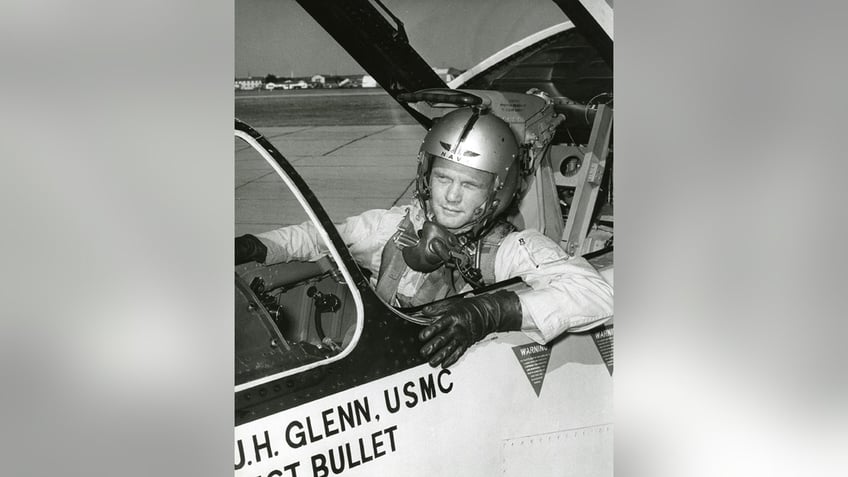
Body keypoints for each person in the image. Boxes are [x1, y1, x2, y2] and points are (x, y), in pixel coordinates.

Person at [236, 107, 613, 368]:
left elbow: (597, 294)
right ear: (426, 176)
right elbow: (319, 237)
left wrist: (490, 311)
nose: (451, 196)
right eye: (443, 179)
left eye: (469, 185)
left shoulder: (509, 249)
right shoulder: (398, 227)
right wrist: (256, 246)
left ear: (496, 194)